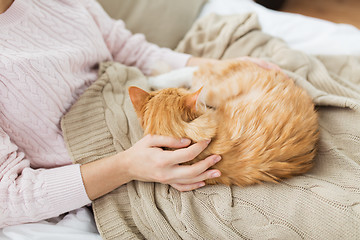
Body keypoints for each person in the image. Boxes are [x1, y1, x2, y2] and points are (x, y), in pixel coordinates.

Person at [0, 0, 276, 228]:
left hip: (150, 107)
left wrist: (216, 68)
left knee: (278, 84)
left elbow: (131, 51)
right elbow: (8, 197)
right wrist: (128, 166)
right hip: (111, 172)